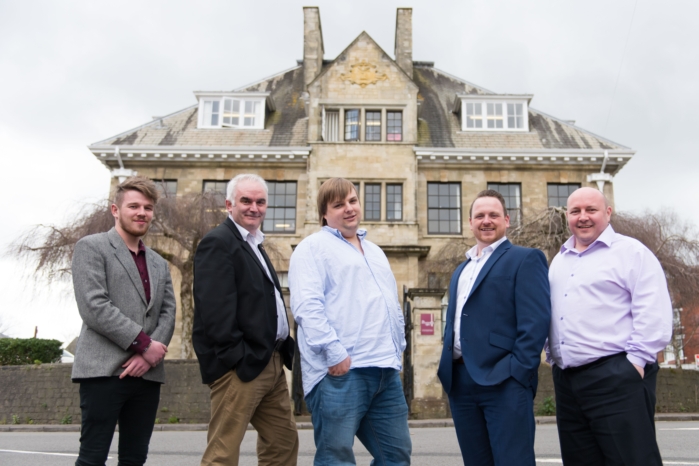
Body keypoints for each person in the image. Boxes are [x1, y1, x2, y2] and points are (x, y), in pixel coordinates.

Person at [289, 177, 412, 465]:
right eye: (338, 204)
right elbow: (307, 307)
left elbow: (391, 304)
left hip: (384, 373)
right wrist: (334, 352)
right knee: (337, 458)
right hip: (341, 374)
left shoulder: (375, 251)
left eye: (353, 201)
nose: (349, 208)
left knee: (396, 456)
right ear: (324, 213)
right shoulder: (312, 248)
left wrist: (398, 348)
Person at [546, 186, 672, 465]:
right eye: (575, 211)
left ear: (608, 212)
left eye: (591, 210)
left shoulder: (631, 253)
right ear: (567, 216)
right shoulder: (559, 261)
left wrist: (635, 363)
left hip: (616, 376)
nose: (583, 217)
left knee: (632, 460)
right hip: (567, 382)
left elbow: (654, 313)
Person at [437, 189, 551, 466]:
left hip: (504, 381)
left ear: (507, 220)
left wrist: (517, 371)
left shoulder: (525, 259)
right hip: (460, 383)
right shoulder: (461, 270)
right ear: (470, 222)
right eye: (479, 216)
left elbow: (535, 321)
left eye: (493, 215)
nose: (486, 221)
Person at [193, 174, 298, 466]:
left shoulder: (255, 244)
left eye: (260, 202)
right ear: (229, 205)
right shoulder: (218, 242)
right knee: (223, 454)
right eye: (246, 201)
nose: (254, 207)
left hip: (272, 361)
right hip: (241, 366)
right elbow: (215, 311)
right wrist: (237, 358)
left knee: (282, 445)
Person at [71, 176, 176, 466]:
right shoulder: (91, 247)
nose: (142, 213)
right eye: (134, 206)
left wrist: (149, 356)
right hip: (103, 371)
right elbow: (94, 306)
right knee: (92, 458)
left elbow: (168, 312)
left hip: (147, 375)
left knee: (135, 458)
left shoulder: (158, 262)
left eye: (148, 208)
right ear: (115, 210)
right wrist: (144, 345)